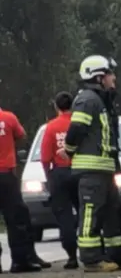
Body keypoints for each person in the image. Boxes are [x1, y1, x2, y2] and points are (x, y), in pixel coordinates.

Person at [65, 55, 121, 273]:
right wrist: (68, 151)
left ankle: (119, 256)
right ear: (98, 77)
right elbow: (75, 131)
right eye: (110, 74)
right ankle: (91, 260)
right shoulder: (88, 100)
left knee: (113, 214)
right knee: (91, 213)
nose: (114, 78)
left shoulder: (102, 100)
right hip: (91, 170)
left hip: (105, 169)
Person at [0, 104, 43, 273]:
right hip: (6, 175)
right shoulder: (9, 118)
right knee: (16, 219)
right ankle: (20, 261)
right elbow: (22, 135)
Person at [40, 93, 80, 269]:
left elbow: (45, 157)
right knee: (86, 211)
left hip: (60, 173)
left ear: (56, 107)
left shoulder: (51, 127)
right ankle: (95, 251)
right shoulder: (79, 124)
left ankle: (72, 256)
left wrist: (49, 178)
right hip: (80, 170)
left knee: (64, 216)